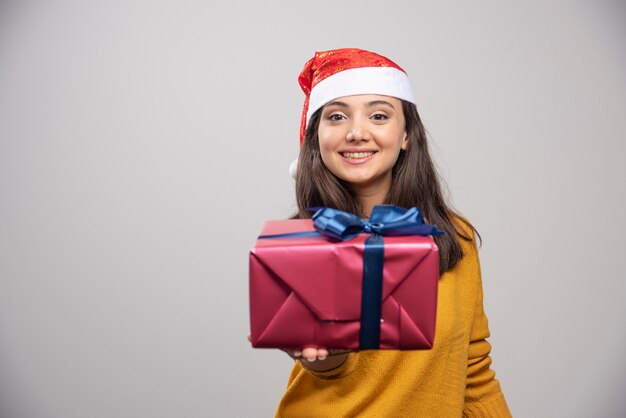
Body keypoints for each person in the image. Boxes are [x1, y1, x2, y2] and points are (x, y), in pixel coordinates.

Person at [273, 48, 512, 417]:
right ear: (316, 138)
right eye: (336, 116)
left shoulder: (454, 237)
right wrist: (324, 357)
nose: (356, 132)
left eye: (379, 115)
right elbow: (329, 369)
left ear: (405, 135)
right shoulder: (301, 243)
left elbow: (474, 372)